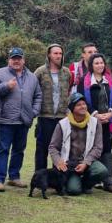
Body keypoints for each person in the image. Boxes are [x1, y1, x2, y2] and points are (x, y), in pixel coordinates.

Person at [0, 47, 42, 191]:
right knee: (3, 150)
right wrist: (6, 86)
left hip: (24, 120)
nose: (16, 61)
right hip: (6, 119)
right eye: (13, 58)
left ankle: (14, 177)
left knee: (19, 150)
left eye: (19, 58)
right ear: (9, 60)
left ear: (23, 60)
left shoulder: (32, 77)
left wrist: (34, 112)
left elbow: (38, 96)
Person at [76, 53, 112, 194]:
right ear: (91, 65)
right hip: (91, 121)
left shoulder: (111, 80)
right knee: (91, 150)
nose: (100, 65)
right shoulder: (84, 81)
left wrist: (110, 113)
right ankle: (90, 180)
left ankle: (108, 181)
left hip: (109, 121)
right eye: (96, 63)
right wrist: (95, 114)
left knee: (107, 150)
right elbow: (81, 100)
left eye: (101, 63)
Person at [48, 93, 111, 196]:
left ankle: (86, 185)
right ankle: (76, 184)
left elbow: (98, 147)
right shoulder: (62, 124)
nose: (83, 106)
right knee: (74, 190)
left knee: (102, 171)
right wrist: (58, 161)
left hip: (87, 161)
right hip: (69, 164)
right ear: (72, 108)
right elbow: (53, 147)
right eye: (79, 105)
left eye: (84, 104)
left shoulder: (95, 123)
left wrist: (86, 163)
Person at [33, 44, 72, 175]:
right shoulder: (40, 72)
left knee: (60, 149)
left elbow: (69, 91)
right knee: (42, 149)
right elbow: (33, 91)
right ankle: (40, 176)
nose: (58, 56)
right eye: (55, 53)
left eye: (60, 53)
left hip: (62, 117)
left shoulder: (67, 73)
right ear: (49, 55)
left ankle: (57, 177)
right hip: (45, 116)